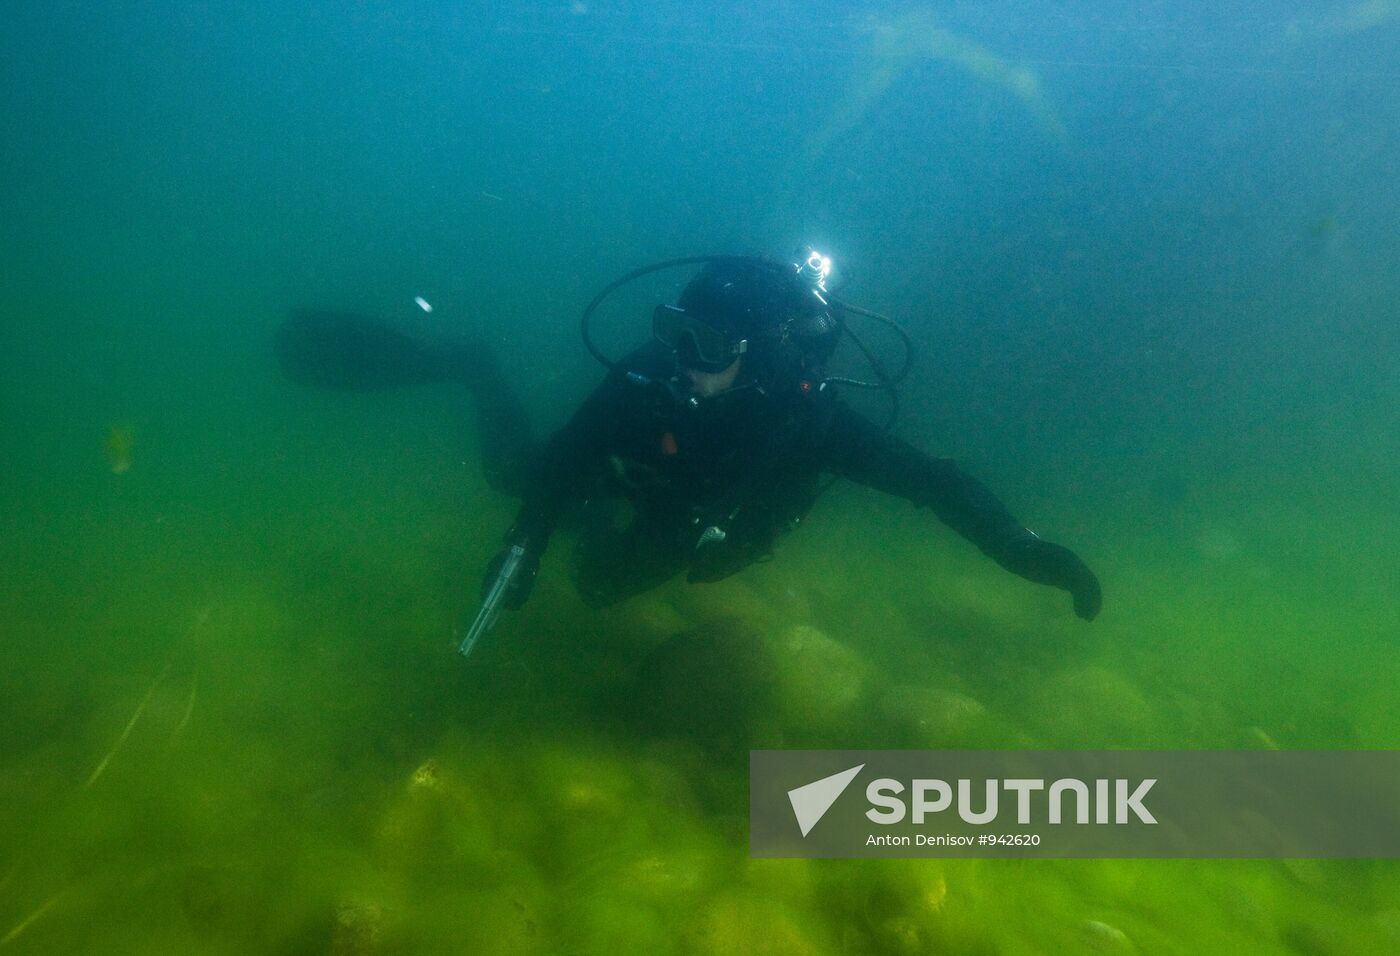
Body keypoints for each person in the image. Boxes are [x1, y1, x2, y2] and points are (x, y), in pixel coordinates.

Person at [478, 255, 1102, 620]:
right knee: (511, 473)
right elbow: (566, 454)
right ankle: (476, 365)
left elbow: (930, 482)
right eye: (677, 330)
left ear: (756, 354)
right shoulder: (652, 372)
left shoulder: (802, 419)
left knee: (600, 590)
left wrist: (1018, 547)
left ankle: (591, 526)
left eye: (710, 343)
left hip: (701, 511)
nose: (684, 356)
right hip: (639, 470)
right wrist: (523, 543)